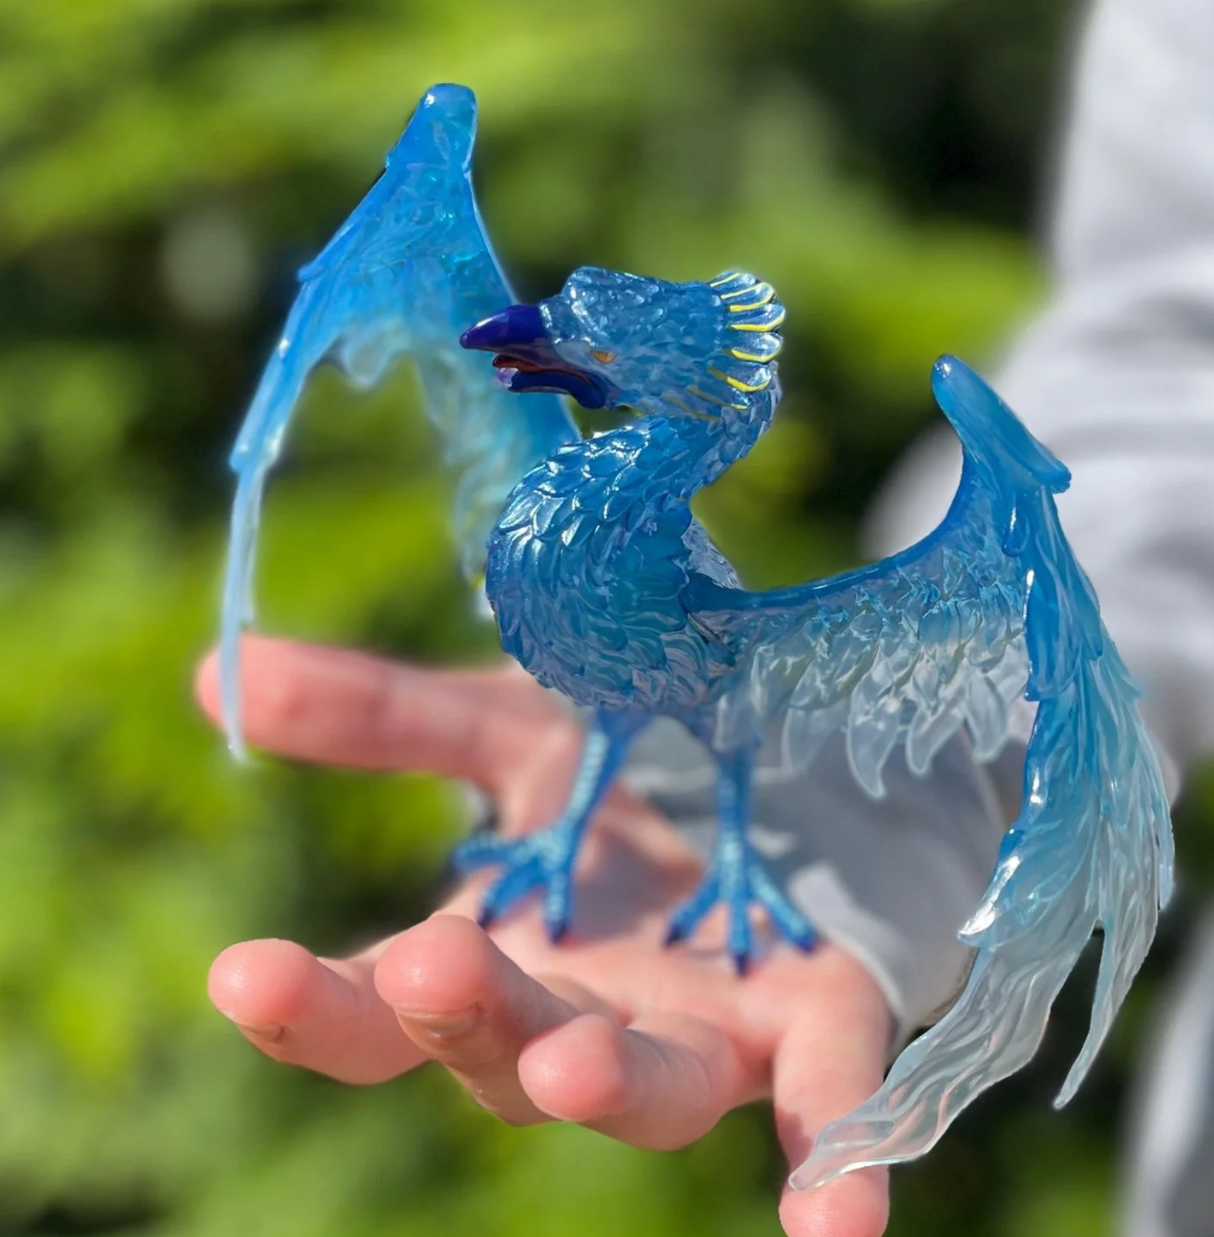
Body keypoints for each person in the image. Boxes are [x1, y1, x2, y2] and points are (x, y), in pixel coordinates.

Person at [198, 0, 1214, 1234]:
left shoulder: (665, 529)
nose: (534, 348)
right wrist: (914, 813)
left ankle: (735, 852)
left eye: (588, 349)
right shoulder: (565, 487)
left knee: (713, 707)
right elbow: (1175, 381)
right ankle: (593, 833)